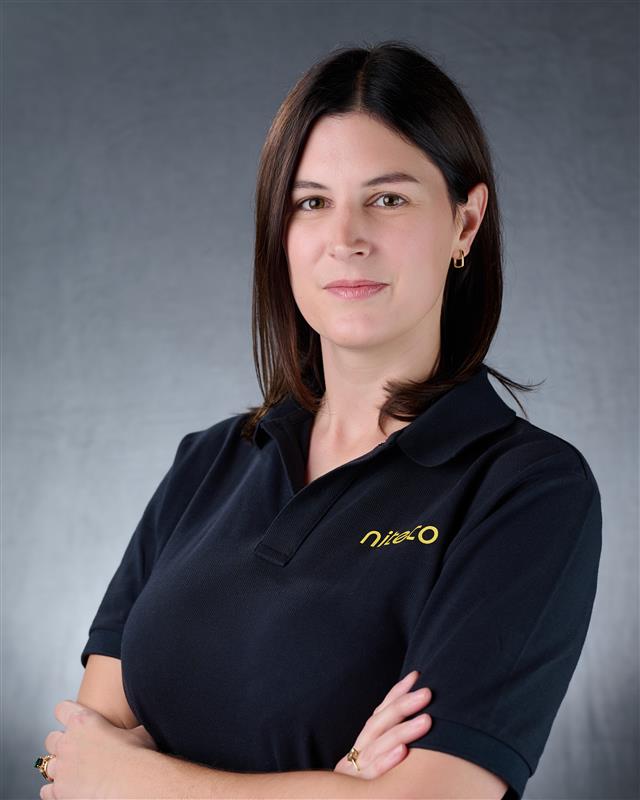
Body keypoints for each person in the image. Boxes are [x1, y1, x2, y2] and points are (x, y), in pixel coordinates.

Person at [36, 40, 602, 800]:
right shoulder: (210, 462)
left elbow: (432, 797)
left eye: (389, 198)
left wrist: (138, 778)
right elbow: (72, 758)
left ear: (466, 223)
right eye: (312, 202)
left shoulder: (527, 490)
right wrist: (334, 788)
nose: (347, 238)